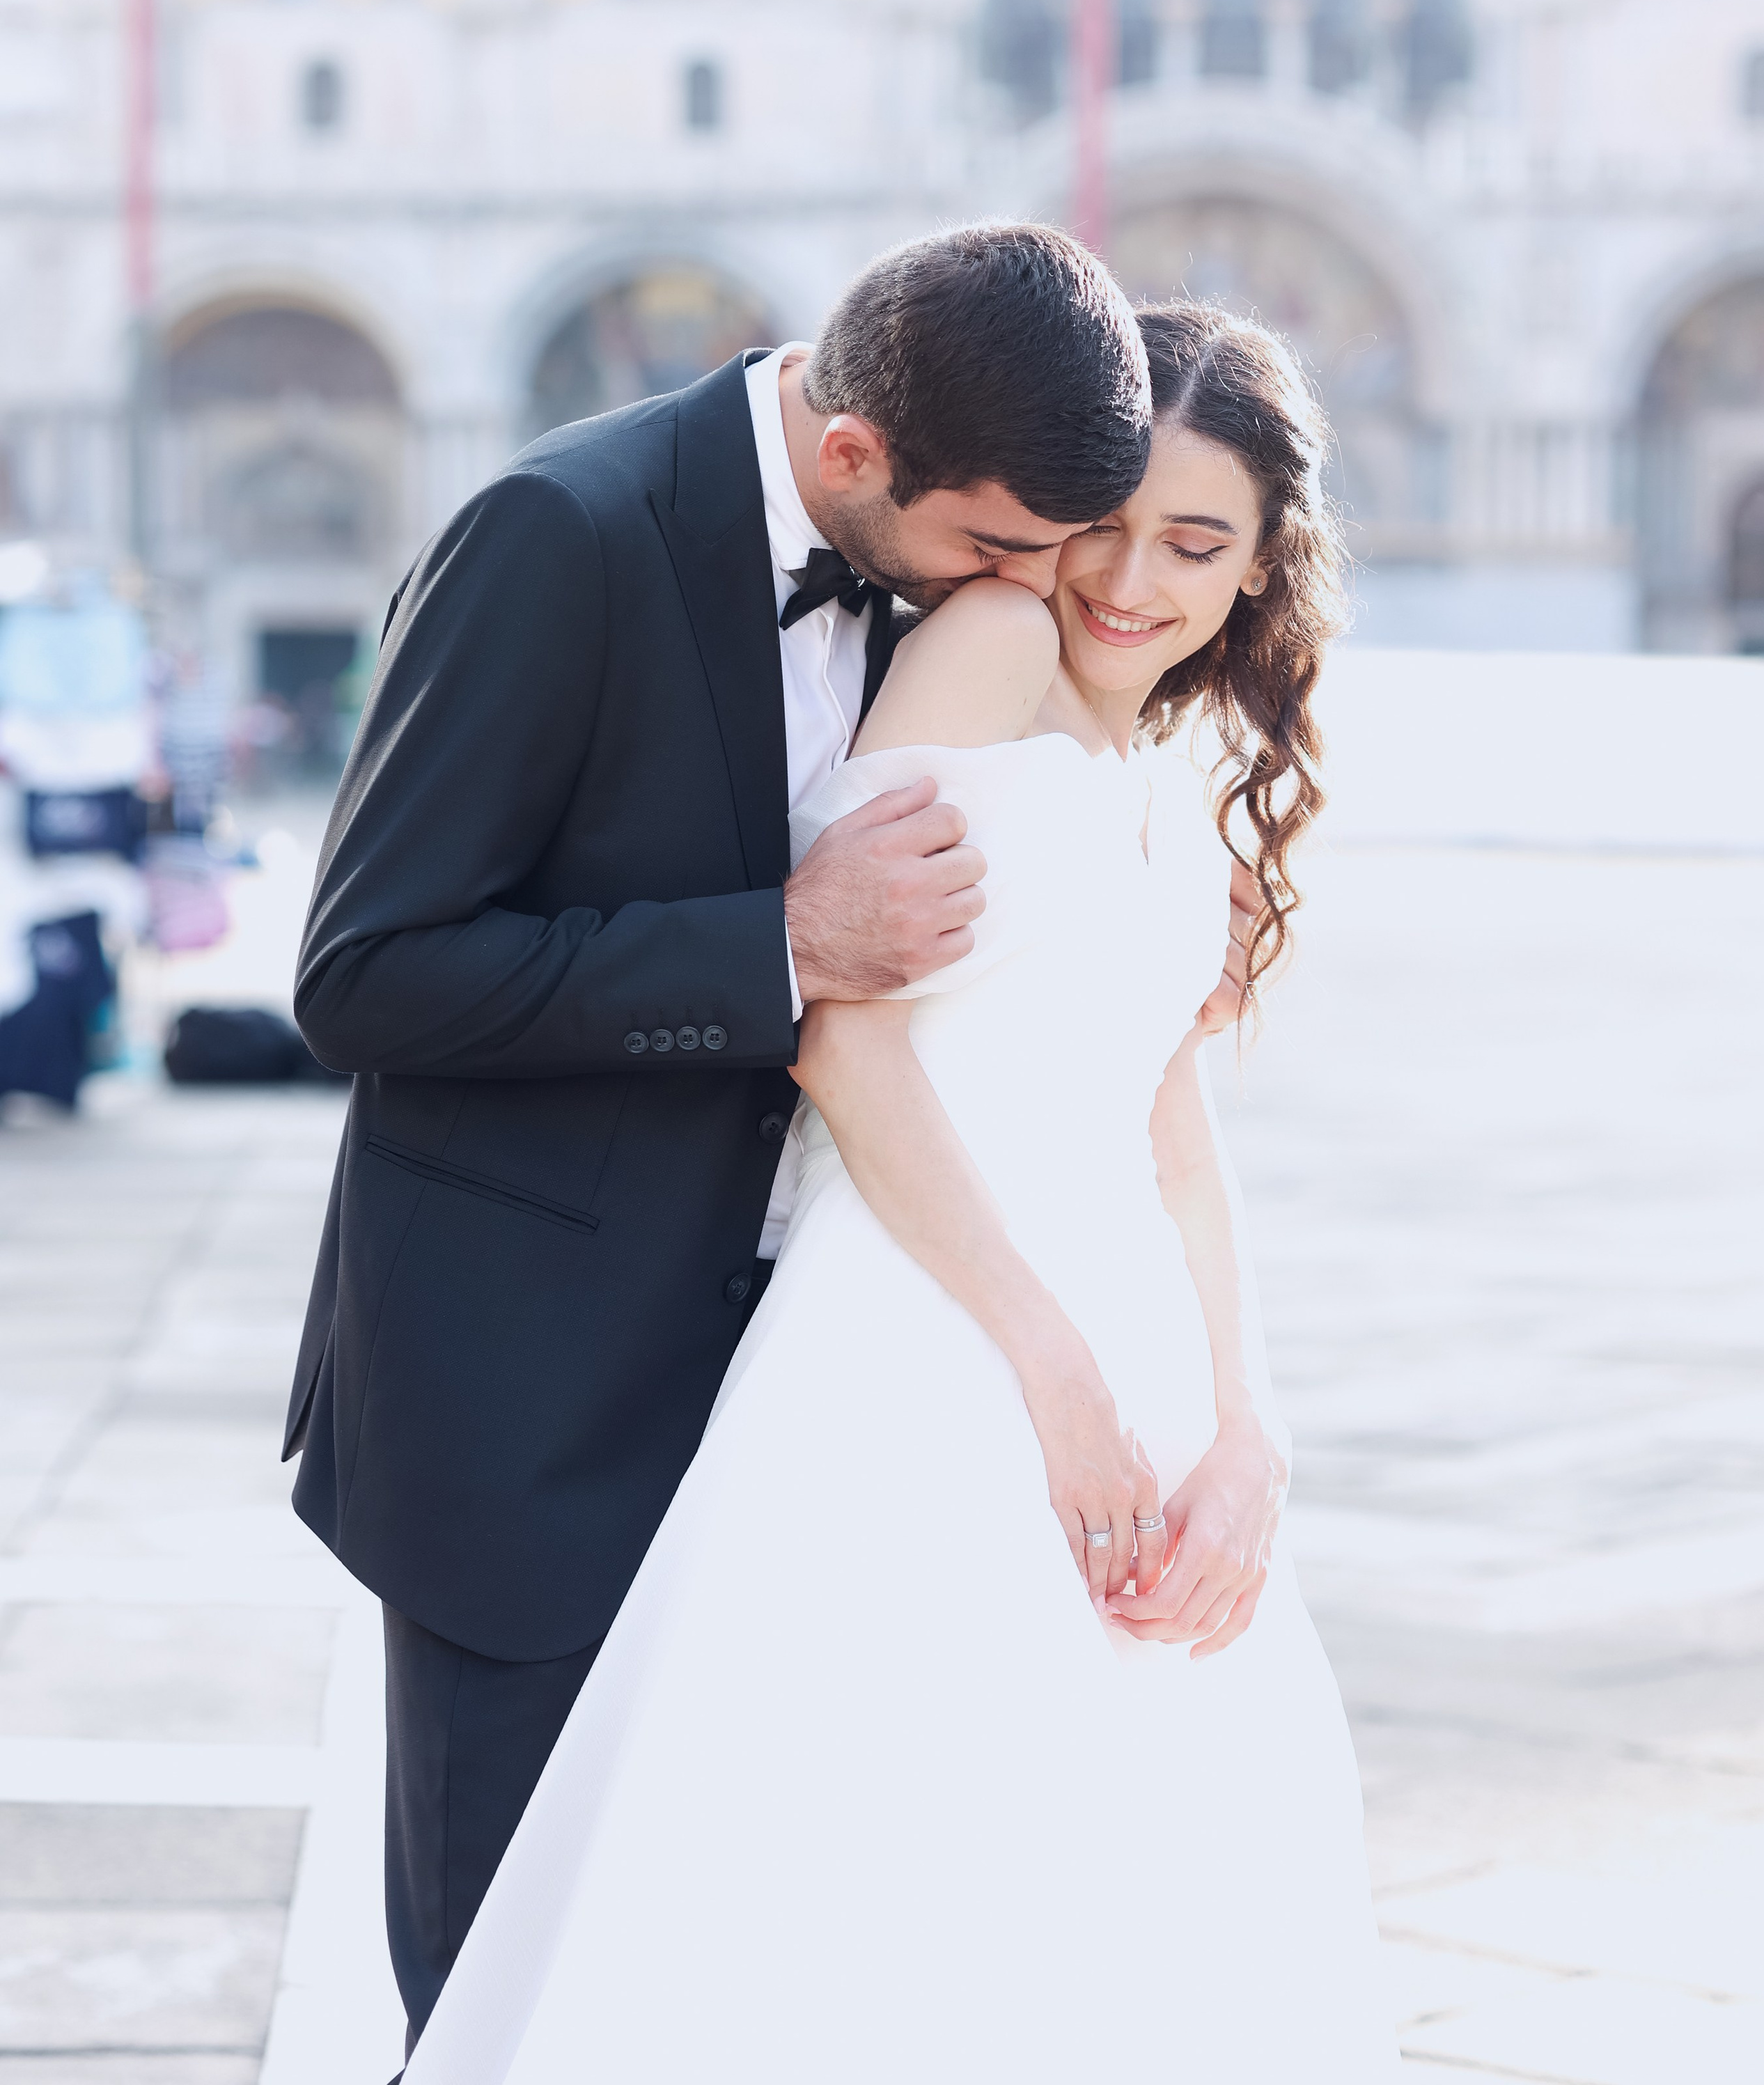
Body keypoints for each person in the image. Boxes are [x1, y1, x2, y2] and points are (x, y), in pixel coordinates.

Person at [400, 297, 1402, 2083]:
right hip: (928, 1328)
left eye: (1194, 547)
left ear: (1259, 571)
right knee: (870, 1867)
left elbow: (1169, 1119)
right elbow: (836, 1036)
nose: (1128, 583)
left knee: (1128, 1890)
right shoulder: (989, 644)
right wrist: (1049, 1364)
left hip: (1128, 1348)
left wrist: (1245, 1421)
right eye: (1103, 525)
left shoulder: (1183, 752)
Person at [283, 223, 1184, 2059]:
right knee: (511, 2009)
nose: (1028, 593)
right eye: (999, 549)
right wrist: (781, 942)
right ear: (854, 459)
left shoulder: (932, 572)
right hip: (529, 1413)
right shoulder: (558, 536)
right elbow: (367, 974)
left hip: (797, 1403)